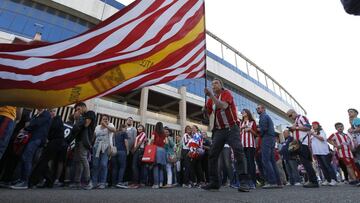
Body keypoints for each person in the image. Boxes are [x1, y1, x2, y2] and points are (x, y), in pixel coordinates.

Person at [202, 78, 250, 192]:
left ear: (221, 85)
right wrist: (204, 111)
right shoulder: (210, 100)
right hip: (219, 130)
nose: (213, 85)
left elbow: (223, 106)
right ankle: (214, 182)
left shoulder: (226, 93)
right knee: (213, 154)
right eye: (212, 84)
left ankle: (243, 182)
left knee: (238, 151)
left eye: (216, 83)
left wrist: (211, 96)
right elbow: (206, 117)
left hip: (231, 128)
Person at [11, 109, 51, 189]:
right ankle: (22, 179)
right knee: (25, 157)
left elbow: (35, 123)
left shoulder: (46, 114)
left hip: (37, 138)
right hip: (33, 138)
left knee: (27, 157)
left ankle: (24, 181)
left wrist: (28, 125)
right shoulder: (37, 114)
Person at [29, 109, 67, 188]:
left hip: (56, 142)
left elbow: (51, 128)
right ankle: (49, 181)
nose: (52, 113)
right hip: (53, 142)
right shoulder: (52, 120)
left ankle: (33, 181)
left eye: (53, 111)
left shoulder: (57, 119)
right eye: (50, 111)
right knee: (44, 161)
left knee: (43, 160)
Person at [286, 109, 319, 188]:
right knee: (304, 163)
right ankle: (311, 180)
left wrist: (295, 128)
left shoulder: (301, 117)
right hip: (299, 144)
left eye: (290, 115)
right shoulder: (296, 121)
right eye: (289, 116)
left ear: (294, 113)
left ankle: (313, 181)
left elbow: (308, 127)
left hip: (303, 143)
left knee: (306, 163)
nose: (290, 117)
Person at [72, 103, 96, 190]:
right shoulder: (81, 116)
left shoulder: (90, 113)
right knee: (78, 161)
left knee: (83, 159)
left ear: (83, 107)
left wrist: (79, 118)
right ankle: (77, 182)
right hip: (78, 140)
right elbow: (77, 127)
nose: (78, 111)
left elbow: (86, 124)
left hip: (85, 140)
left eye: (78, 109)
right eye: (76, 110)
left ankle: (88, 181)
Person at [257, 104, 281, 189]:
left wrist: (258, 130)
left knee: (266, 160)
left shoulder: (263, 117)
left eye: (258, 108)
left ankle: (272, 182)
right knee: (272, 161)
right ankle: (278, 182)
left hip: (266, 139)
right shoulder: (266, 117)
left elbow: (263, 129)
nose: (257, 110)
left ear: (263, 109)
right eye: (257, 108)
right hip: (271, 139)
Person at [92, 114, 116, 189]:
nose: (105, 120)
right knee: (95, 165)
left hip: (106, 147)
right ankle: (94, 182)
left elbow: (114, 130)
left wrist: (106, 125)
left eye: (106, 119)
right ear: (101, 120)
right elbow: (94, 136)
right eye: (103, 119)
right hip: (96, 147)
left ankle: (102, 182)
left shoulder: (110, 125)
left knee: (103, 164)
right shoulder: (97, 127)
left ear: (108, 120)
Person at [310, 121, 337, 186]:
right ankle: (328, 180)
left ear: (318, 125)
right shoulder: (313, 133)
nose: (314, 126)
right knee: (322, 167)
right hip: (317, 152)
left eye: (315, 125)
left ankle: (334, 179)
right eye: (313, 125)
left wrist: (313, 135)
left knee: (328, 166)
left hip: (323, 152)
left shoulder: (321, 131)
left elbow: (322, 139)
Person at [240, 109, 258, 189]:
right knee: (244, 164)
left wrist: (250, 129)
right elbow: (238, 133)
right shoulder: (241, 123)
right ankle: (245, 181)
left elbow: (256, 134)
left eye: (244, 111)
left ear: (248, 113)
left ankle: (253, 182)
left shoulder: (252, 122)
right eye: (242, 112)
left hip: (250, 145)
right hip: (242, 145)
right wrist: (241, 128)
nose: (242, 112)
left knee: (251, 163)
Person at [129, 124, 147, 188]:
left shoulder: (143, 133)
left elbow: (140, 142)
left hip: (139, 150)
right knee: (137, 166)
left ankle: (136, 182)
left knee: (135, 166)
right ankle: (137, 182)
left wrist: (134, 149)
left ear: (143, 129)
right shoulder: (138, 135)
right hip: (137, 150)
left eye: (141, 127)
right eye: (138, 127)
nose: (139, 128)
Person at [150, 122, 167, 189]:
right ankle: (160, 183)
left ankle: (156, 184)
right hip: (162, 150)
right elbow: (166, 142)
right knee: (161, 168)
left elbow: (152, 139)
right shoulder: (164, 134)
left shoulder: (154, 132)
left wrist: (150, 145)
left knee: (155, 166)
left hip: (156, 149)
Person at [112, 124, 129, 188]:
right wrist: (127, 150)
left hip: (115, 151)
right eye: (126, 128)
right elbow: (126, 141)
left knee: (115, 168)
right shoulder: (124, 133)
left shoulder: (115, 133)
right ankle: (119, 182)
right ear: (123, 128)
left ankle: (113, 183)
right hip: (122, 151)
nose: (126, 129)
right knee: (122, 167)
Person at [124, 117, 137, 182]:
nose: (129, 121)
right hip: (123, 149)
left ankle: (128, 180)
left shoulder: (134, 129)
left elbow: (135, 140)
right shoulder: (124, 128)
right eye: (128, 120)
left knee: (129, 165)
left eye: (131, 120)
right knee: (123, 164)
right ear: (126, 121)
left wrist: (132, 149)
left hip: (130, 150)